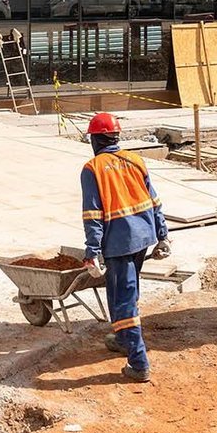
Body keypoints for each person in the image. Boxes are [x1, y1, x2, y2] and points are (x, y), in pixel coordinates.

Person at [80, 112, 170, 383]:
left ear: (95, 139)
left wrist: (92, 252)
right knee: (129, 291)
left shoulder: (93, 168)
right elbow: (154, 201)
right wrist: (163, 236)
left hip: (119, 244)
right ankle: (122, 339)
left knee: (122, 301)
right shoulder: (135, 160)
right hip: (143, 237)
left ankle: (139, 363)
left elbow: (93, 215)